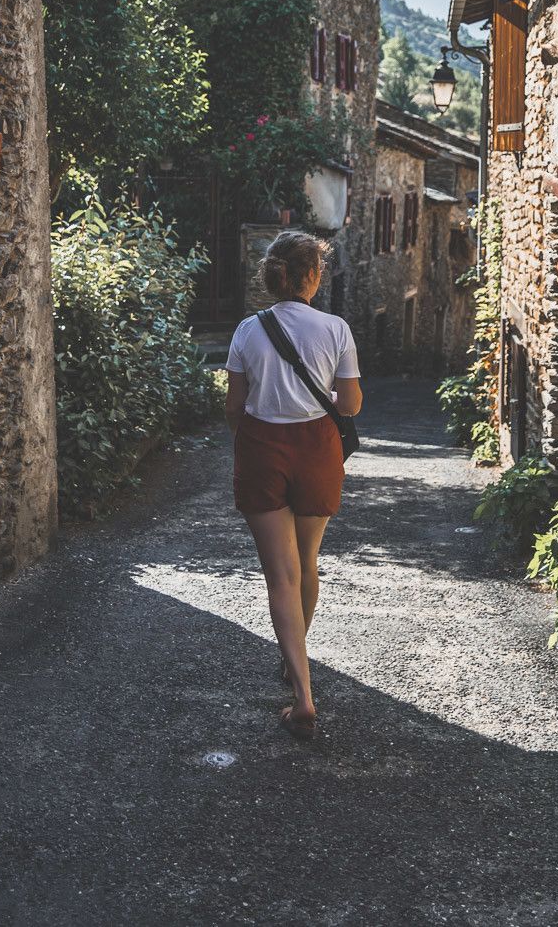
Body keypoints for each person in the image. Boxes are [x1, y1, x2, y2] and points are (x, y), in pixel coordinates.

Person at [225, 231, 362, 741]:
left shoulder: (246, 331)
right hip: (317, 449)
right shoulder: (336, 329)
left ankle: (302, 694)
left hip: (263, 446)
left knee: (279, 576)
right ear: (313, 276)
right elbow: (348, 407)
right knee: (307, 563)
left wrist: (255, 439)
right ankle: (296, 661)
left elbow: (234, 409)